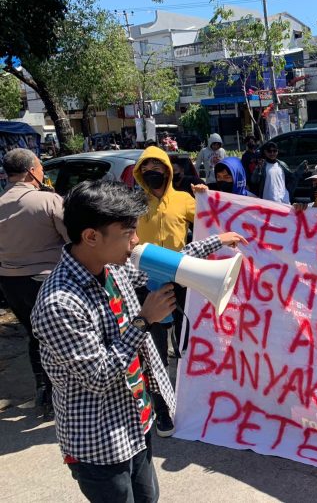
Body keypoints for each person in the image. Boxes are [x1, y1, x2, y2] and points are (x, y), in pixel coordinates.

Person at [31, 179, 247, 503]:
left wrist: (215, 243)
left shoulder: (112, 267)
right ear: (91, 236)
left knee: (149, 497)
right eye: (127, 233)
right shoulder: (58, 304)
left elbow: (169, 264)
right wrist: (144, 321)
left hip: (137, 422)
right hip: (101, 444)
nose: (135, 242)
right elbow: (100, 377)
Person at [132, 146, 204, 437]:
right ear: (140, 173)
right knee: (155, 348)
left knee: (187, 342)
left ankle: (190, 399)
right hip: (146, 284)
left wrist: (207, 197)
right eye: (146, 168)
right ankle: (162, 408)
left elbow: (212, 220)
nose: (153, 172)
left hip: (183, 280)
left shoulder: (184, 199)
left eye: (158, 167)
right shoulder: (135, 202)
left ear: (168, 170)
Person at [0, 148, 69, 418]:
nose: (42, 172)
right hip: (46, 281)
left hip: (10, 283)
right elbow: (72, 239)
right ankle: (60, 392)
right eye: (40, 167)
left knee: (34, 335)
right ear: (31, 171)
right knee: (57, 338)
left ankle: (42, 388)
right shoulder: (48, 201)